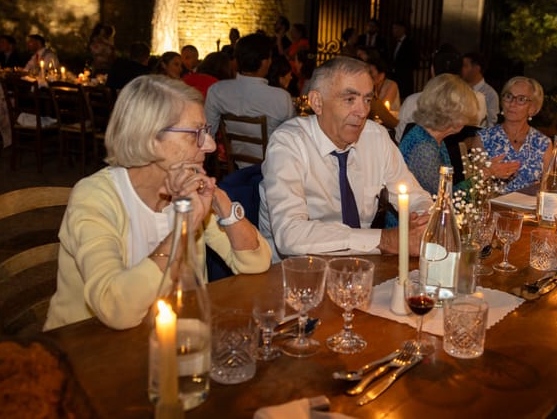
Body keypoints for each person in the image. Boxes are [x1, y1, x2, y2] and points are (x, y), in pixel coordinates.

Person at [44, 75, 272, 331]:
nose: (209, 146)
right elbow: (116, 310)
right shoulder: (94, 196)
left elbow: (257, 262)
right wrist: (183, 228)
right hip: (88, 347)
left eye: (207, 132)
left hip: (171, 335)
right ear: (150, 139)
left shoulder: (190, 189)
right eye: (195, 134)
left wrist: (221, 202)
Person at [259, 56, 432, 262]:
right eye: (349, 99)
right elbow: (290, 235)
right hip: (293, 270)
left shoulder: (376, 137)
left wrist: (425, 220)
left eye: (367, 100)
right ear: (317, 102)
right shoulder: (288, 143)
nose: (362, 112)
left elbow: (415, 196)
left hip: (359, 264)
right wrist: (385, 239)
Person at [204, 33, 294, 167]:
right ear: (265, 62)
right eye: (269, 58)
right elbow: (294, 138)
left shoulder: (217, 91)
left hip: (237, 169)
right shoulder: (281, 97)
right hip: (274, 170)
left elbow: (207, 134)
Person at [399, 74, 480, 194]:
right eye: (465, 115)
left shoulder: (433, 137)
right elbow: (444, 198)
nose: (467, 121)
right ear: (453, 115)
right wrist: (484, 175)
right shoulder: (425, 148)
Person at [475, 77, 552, 192]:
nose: (512, 103)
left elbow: (550, 187)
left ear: (532, 108)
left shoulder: (543, 143)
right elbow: (473, 184)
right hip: (493, 207)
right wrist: (489, 172)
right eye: (508, 96)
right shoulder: (483, 138)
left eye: (521, 99)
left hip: (530, 207)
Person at [460, 52, 499, 128]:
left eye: (465, 66)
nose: (462, 69)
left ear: (476, 68)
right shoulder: (459, 89)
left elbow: (491, 124)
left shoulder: (490, 94)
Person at [390, 21, 419, 99]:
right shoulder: (393, 42)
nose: (393, 31)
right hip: (394, 76)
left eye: (395, 28)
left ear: (402, 29)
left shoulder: (410, 43)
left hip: (404, 78)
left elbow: (414, 61)